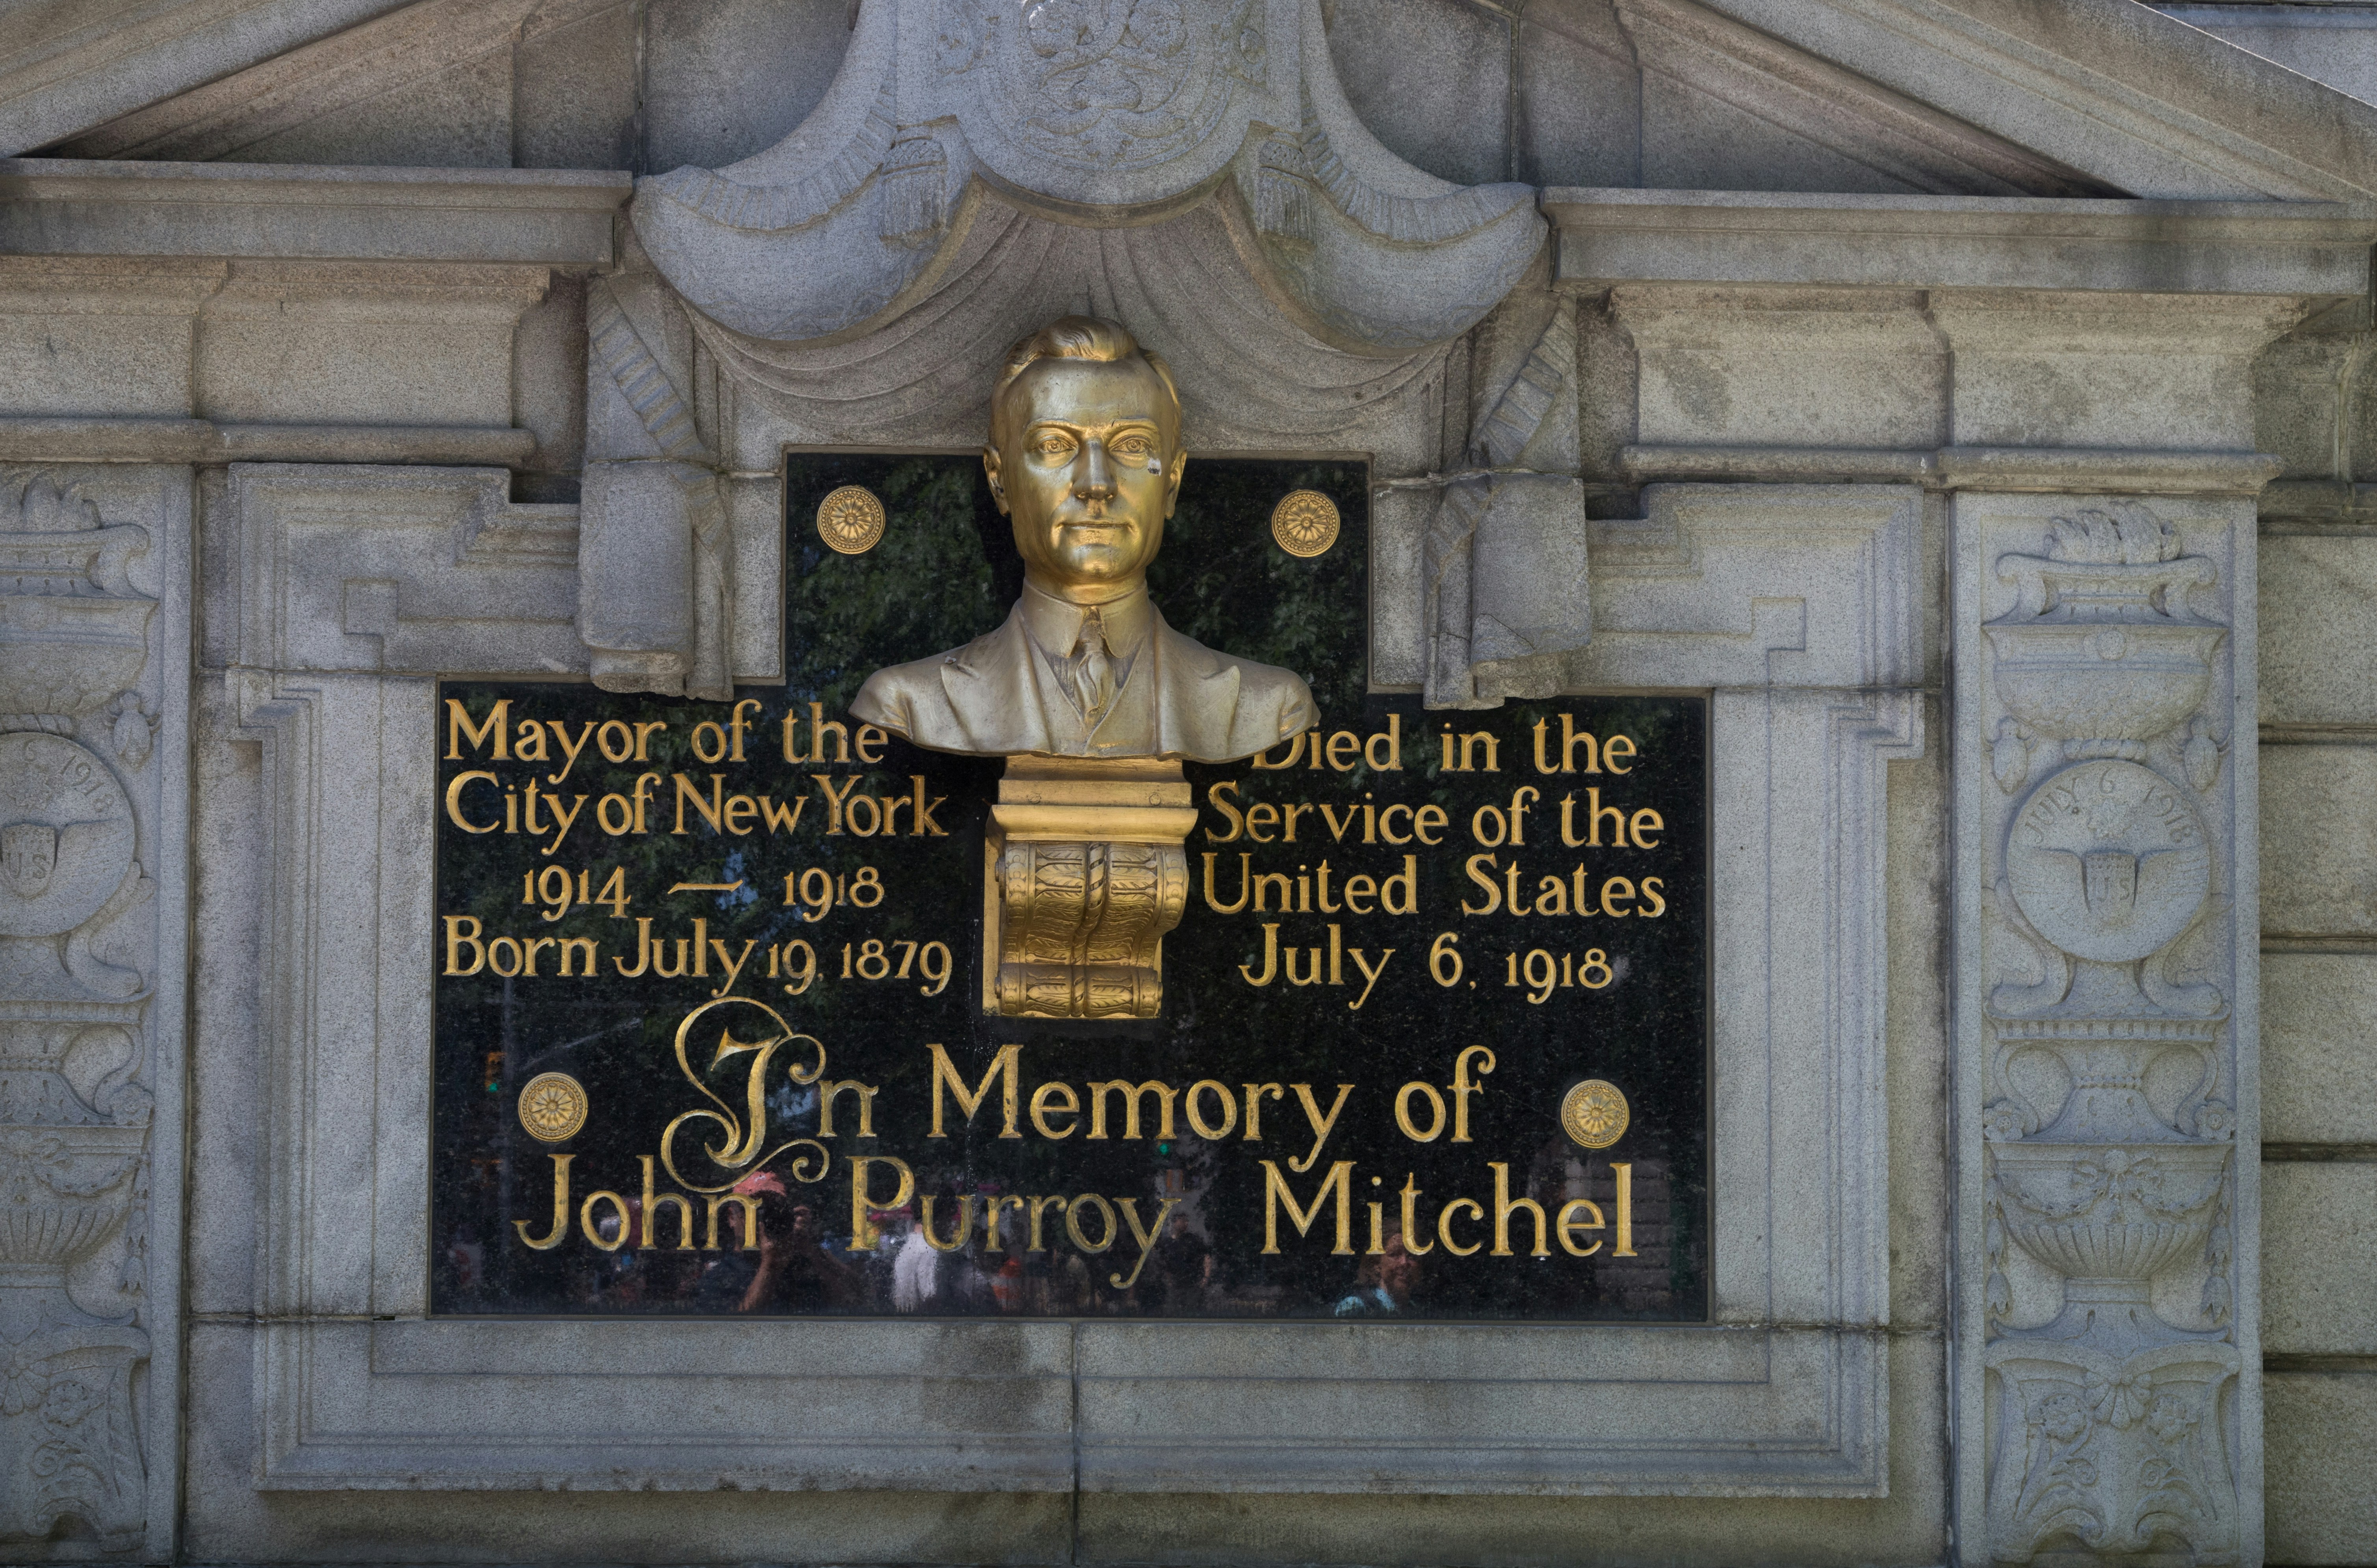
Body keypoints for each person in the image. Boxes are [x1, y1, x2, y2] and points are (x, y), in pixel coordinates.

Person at [852, 316, 1316, 763]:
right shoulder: (908, 701)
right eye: (1055, 445)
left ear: (1171, 482)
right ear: (999, 481)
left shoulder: (1268, 703)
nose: (1097, 484)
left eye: (1132, 446)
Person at [1333, 1232, 1421, 1317]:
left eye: (1412, 1256)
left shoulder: (1416, 1310)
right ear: (1377, 1263)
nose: (1404, 1263)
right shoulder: (1357, 1306)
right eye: (1395, 1255)